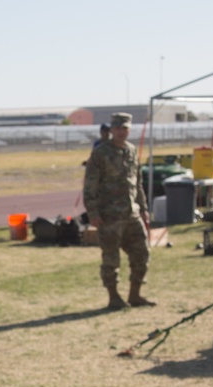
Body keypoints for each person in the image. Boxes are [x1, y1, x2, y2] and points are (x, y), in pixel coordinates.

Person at [82, 112, 153, 310]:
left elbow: (137, 184)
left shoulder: (132, 151)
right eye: (117, 128)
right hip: (109, 216)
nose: (121, 132)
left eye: (125, 128)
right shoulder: (101, 153)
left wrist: (144, 209)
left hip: (132, 213)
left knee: (142, 253)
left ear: (129, 130)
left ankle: (135, 295)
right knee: (111, 259)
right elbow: (89, 186)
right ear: (111, 129)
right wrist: (93, 213)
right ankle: (113, 297)